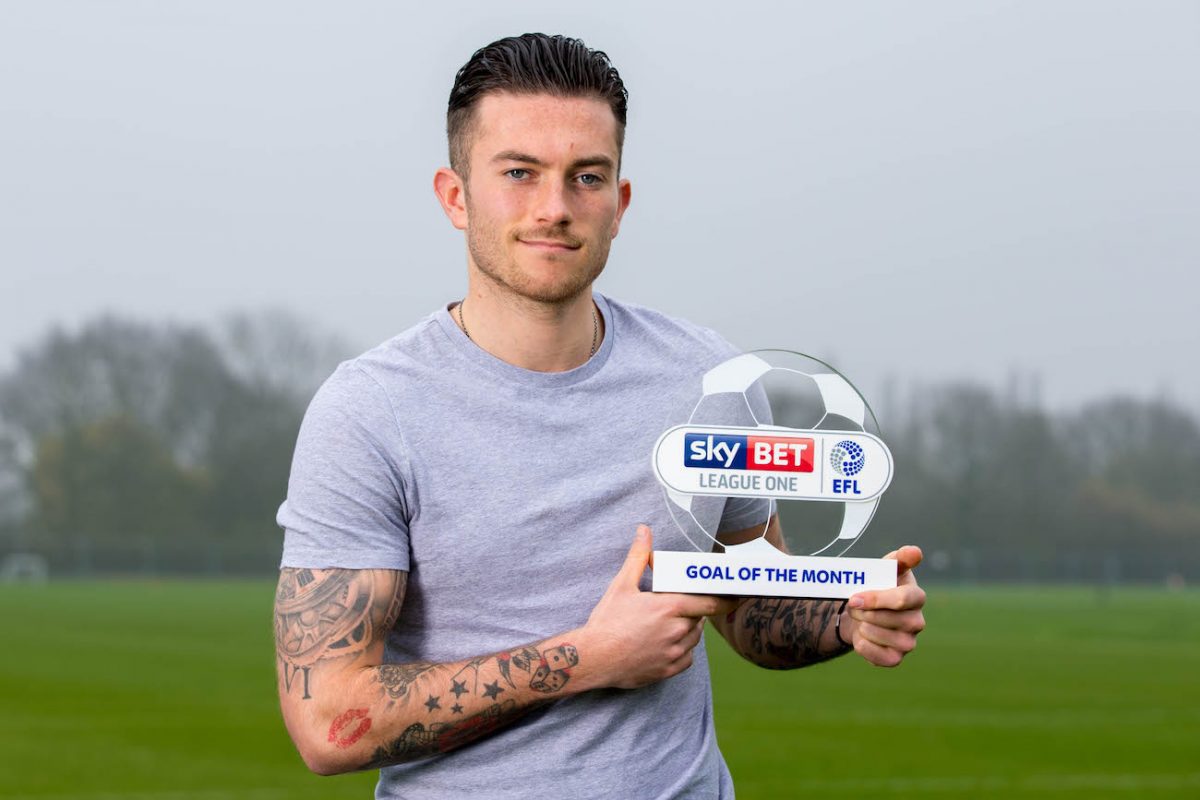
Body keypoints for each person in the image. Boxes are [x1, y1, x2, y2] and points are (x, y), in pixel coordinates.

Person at [273, 33, 926, 798]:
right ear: (456, 196)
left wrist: (847, 615)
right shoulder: (370, 413)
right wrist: (589, 657)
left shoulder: (707, 380)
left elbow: (751, 603)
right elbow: (328, 723)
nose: (555, 208)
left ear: (619, 204)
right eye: (519, 173)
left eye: (587, 177)